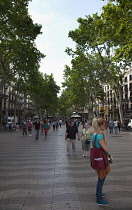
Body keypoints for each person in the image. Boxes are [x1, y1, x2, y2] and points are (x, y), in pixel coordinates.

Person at [90, 118, 111, 206]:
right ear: (100, 125)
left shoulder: (93, 134)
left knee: (100, 176)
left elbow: (101, 144)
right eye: (104, 124)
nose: (105, 126)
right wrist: (108, 152)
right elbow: (106, 148)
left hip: (96, 158)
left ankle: (99, 194)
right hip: (101, 158)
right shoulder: (99, 136)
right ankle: (99, 199)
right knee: (101, 178)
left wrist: (104, 134)